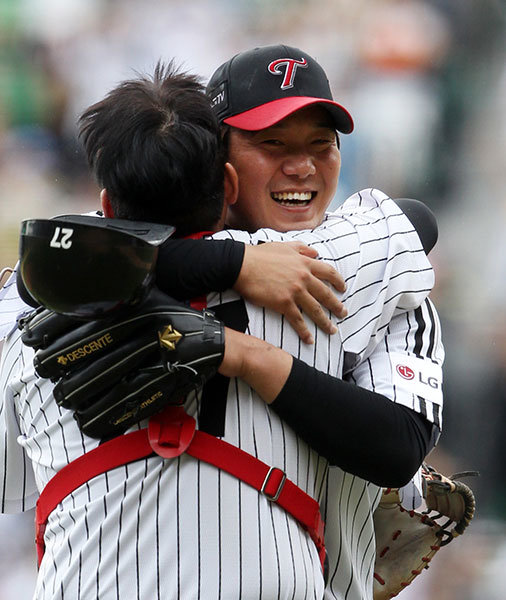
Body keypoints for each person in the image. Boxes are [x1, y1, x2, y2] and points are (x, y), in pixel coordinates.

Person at [0, 58, 441, 600]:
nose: (299, 166)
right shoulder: (326, 271)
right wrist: (236, 279)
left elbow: (46, 265)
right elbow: (414, 223)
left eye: (319, 144)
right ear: (225, 176)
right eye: (273, 144)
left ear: (106, 205)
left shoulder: (29, 314)